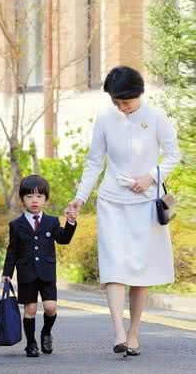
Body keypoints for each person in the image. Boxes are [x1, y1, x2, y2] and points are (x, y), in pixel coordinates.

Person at [68, 66, 180, 356]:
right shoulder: (105, 119)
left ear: (139, 93)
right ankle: (118, 330)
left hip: (145, 204)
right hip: (112, 201)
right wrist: (80, 198)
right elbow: (94, 162)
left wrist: (151, 177)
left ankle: (134, 332)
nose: (122, 107)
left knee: (140, 272)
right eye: (117, 102)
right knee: (114, 266)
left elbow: (173, 155)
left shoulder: (155, 117)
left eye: (126, 102)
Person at [2, 175, 77, 357]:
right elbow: (12, 250)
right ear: (22, 200)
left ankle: (46, 332)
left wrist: (71, 222)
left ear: (46, 199)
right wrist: (7, 273)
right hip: (26, 273)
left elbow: (64, 239)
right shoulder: (16, 225)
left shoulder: (51, 222)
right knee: (31, 309)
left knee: (50, 307)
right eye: (29, 196)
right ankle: (31, 343)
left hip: (47, 273)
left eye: (39, 196)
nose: (34, 200)